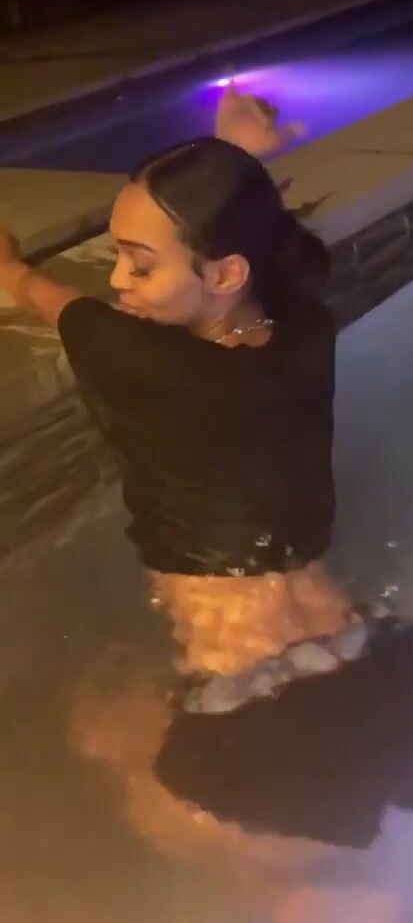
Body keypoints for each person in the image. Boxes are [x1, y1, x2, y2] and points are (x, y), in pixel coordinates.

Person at [0, 89, 362, 710]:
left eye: (140, 266)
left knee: (105, 742)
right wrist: (240, 162)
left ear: (226, 273)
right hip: (327, 612)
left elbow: (52, 299)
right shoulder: (306, 327)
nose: (116, 279)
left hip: (230, 651)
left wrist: (9, 267)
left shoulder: (148, 362)